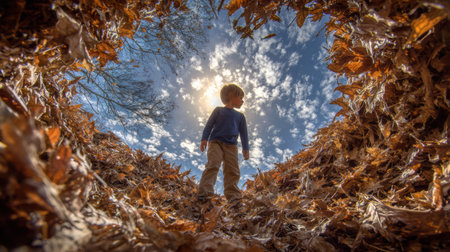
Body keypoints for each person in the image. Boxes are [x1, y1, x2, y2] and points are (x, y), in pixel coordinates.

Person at [198, 83, 250, 207]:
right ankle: (204, 194)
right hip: (215, 142)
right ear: (232, 95)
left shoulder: (240, 116)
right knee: (213, 165)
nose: (242, 101)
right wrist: (204, 138)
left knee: (232, 171)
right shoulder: (218, 110)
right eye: (240, 98)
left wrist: (245, 148)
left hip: (231, 146)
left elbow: (244, 133)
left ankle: (234, 199)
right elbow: (209, 125)